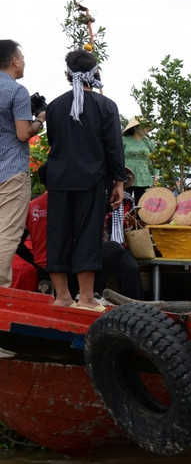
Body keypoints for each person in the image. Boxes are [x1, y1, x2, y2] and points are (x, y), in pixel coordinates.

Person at [45, 49, 125, 311]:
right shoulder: (106, 106)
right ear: (96, 74)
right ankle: (87, 298)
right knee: (88, 237)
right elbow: (114, 148)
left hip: (58, 180)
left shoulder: (55, 106)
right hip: (90, 179)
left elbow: (54, 143)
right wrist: (119, 181)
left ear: (67, 75)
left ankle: (62, 297)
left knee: (58, 234)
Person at [0, 40, 45, 289]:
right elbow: (22, 133)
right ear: (15, 61)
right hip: (11, 173)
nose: (24, 61)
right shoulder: (17, 91)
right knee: (7, 233)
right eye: (22, 57)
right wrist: (38, 120)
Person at [121, 116, 154, 205]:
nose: (147, 128)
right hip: (126, 175)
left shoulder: (149, 142)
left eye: (148, 126)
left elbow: (156, 159)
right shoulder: (124, 140)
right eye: (144, 126)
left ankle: (138, 219)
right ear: (136, 127)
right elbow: (118, 157)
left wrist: (157, 176)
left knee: (141, 205)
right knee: (123, 203)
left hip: (144, 177)